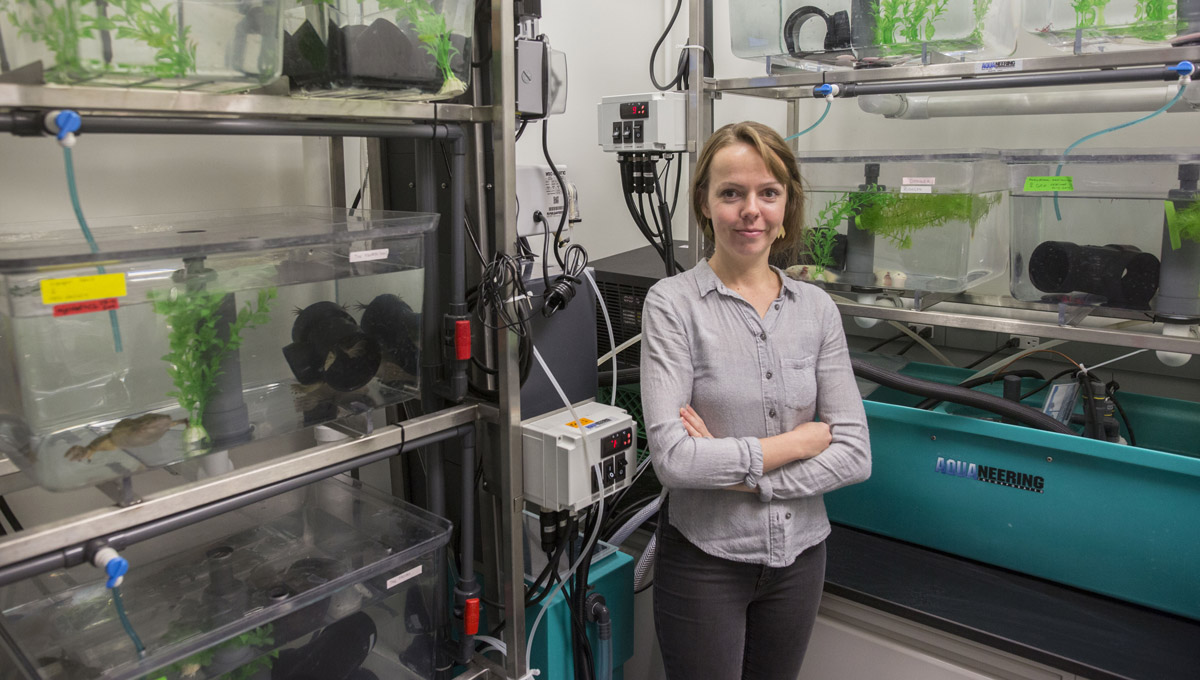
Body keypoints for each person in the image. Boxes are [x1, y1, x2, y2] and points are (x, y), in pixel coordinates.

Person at [640, 121, 871, 680]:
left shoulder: (817, 310)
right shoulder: (672, 306)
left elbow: (856, 454)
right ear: (704, 203)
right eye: (731, 193)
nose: (752, 210)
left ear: (787, 204)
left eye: (768, 193)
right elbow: (673, 460)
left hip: (800, 559)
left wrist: (745, 474)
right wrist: (796, 443)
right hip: (704, 563)